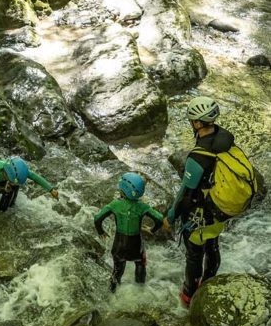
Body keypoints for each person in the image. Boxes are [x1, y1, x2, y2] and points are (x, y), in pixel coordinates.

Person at [163, 95, 233, 307]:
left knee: (194, 255)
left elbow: (185, 192)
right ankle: (209, 282)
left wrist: (172, 215)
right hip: (220, 207)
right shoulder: (225, 138)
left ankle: (189, 295)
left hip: (199, 213)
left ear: (197, 123)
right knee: (213, 246)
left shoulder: (198, 157)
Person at [94, 172, 163, 293]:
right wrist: (152, 230)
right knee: (140, 263)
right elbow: (160, 219)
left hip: (119, 245)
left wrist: (101, 232)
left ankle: (112, 293)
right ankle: (140, 290)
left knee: (117, 269)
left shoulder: (115, 204)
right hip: (136, 246)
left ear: (123, 189)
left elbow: (97, 218)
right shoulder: (142, 206)